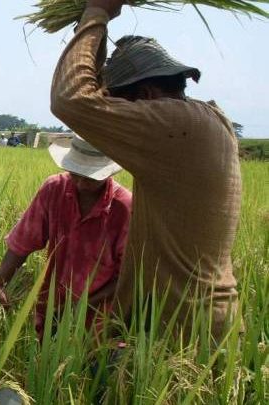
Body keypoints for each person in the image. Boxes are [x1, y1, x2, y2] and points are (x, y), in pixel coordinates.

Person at [49, 0, 241, 342]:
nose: (116, 117)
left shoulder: (174, 126)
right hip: (185, 318)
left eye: (121, 106)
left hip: (184, 330)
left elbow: (71, 99)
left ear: (148, 94)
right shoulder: (203, 122)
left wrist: (97, 12)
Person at [0, 134, 131, 335]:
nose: (80, 183)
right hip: (52, 309)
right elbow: (23, 241)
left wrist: (79, 308)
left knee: (92, 363)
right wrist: (0, 280)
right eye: (75, 173)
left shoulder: (124, 207)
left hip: (100, 320)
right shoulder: (54, 189)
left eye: (90, 176)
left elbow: (127, 277)